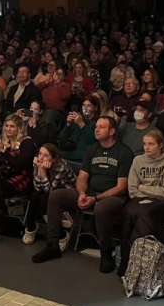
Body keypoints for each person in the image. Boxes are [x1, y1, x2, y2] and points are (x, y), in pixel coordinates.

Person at [32, 115, 133, 273]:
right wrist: (81, 193)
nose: (97, 129)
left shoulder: (124, 152)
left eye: (101, 127)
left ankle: (105, 253)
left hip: (114, 197)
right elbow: (82, 177)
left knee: (101, 208)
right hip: (90, 192)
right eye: (96, 126)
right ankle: (52, 245)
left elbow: (121, 187)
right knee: (56, 196)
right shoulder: (92, 149)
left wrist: (95, 198)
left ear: (112, 131)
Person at [116, 130, 164, 277]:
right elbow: (132, 190)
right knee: (128, 211)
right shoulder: (138, 160)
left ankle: (140, 265)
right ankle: (129, 261)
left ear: (161, 145)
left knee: (143, 213)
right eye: (145, 144)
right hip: (141, 199)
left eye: (151, 144)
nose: (146, 147)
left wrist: (143, 187)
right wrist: (146, 192)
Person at [0, 115, 36, 247]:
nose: (8, 129)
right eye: (7, 126)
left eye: (12, 126)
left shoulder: (27, 143)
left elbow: (20, 165)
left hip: (21, 179)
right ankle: (0, 207)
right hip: (4, 178)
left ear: (19, 128)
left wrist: (2, 151)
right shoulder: (3, 142)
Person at [21, 143, 76, 246]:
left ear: (53, 159)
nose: (41, 157)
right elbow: (37, 187)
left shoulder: (61, 165)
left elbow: (49, 190)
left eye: (45, 155)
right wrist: (40, 169)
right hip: (49, 193)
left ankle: (62, 234)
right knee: (35, 196)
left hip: (66, 193)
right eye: (40, 153)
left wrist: (42, 171)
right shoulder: (37, 162)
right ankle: (31, 227)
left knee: (45, 197)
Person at [58, 93, 99, 160]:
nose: (85, 108)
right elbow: (62, 138)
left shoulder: (98, 123)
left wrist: (82, 124)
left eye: (88, 105)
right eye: (84, 105)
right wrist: (68, 124)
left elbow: (94, 141)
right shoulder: (76, 121)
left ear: (95, 108)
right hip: (67, 154)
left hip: (83, 157)